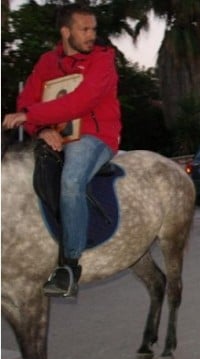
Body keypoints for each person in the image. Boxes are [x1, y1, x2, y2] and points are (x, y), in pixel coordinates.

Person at [2, 4, 121, 298]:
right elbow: (26, 99)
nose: (92, 35)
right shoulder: (46, 62)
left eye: (94, 29)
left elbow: (81, 102)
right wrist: (41, 129)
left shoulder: (103, 61)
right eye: (85, 29)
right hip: (54, 135)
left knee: (71, 180)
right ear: (66, 31)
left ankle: (69, 266)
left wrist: (31, 115)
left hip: (95, 136)